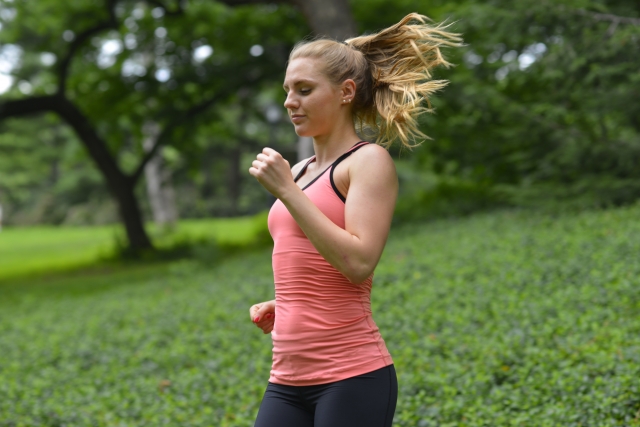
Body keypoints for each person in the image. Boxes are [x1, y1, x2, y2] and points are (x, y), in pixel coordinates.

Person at [248, 13, 462, 427]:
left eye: (304, 90)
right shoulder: (299, 171)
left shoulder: (367, 162)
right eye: (287, 90)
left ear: (346, 92)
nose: (290, 102)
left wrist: (287, 192)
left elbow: (359, 262)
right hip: (286, 379)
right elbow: (311, 259)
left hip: (352, 376)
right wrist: (290, 304)